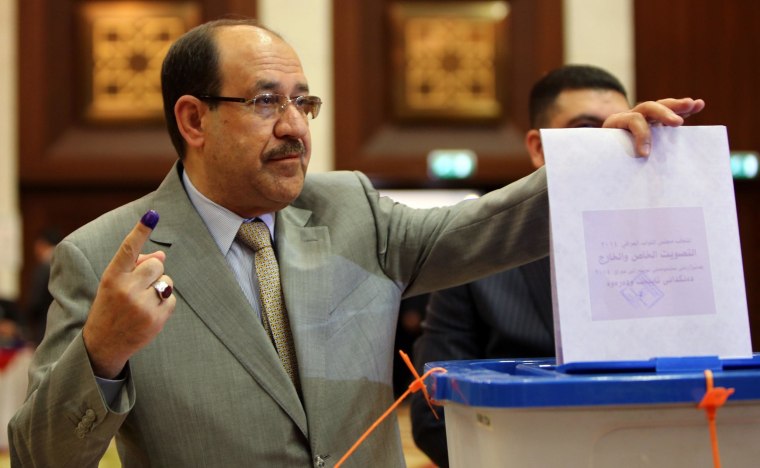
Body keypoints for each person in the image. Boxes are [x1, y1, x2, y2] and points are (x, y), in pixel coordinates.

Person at [8, 19, 703, 467]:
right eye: (265, 102)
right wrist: (103, 352)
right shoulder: (102, 258)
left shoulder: (350, 209)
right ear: (193, 118)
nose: (295, 128)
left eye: (303, 103)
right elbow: (40, 457)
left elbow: (488, 227)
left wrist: (596, 166)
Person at [410, 64, 640, 467]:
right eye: (587, 129)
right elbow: (434, 416)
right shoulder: (478, 256)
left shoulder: (658, 242)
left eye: (619, 132)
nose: (607, 146)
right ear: (538, 147)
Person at [23, 227, 64, 346]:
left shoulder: (44, 267)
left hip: (45, 327)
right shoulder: (68, 262)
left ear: (41, 244)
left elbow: (35, 302)